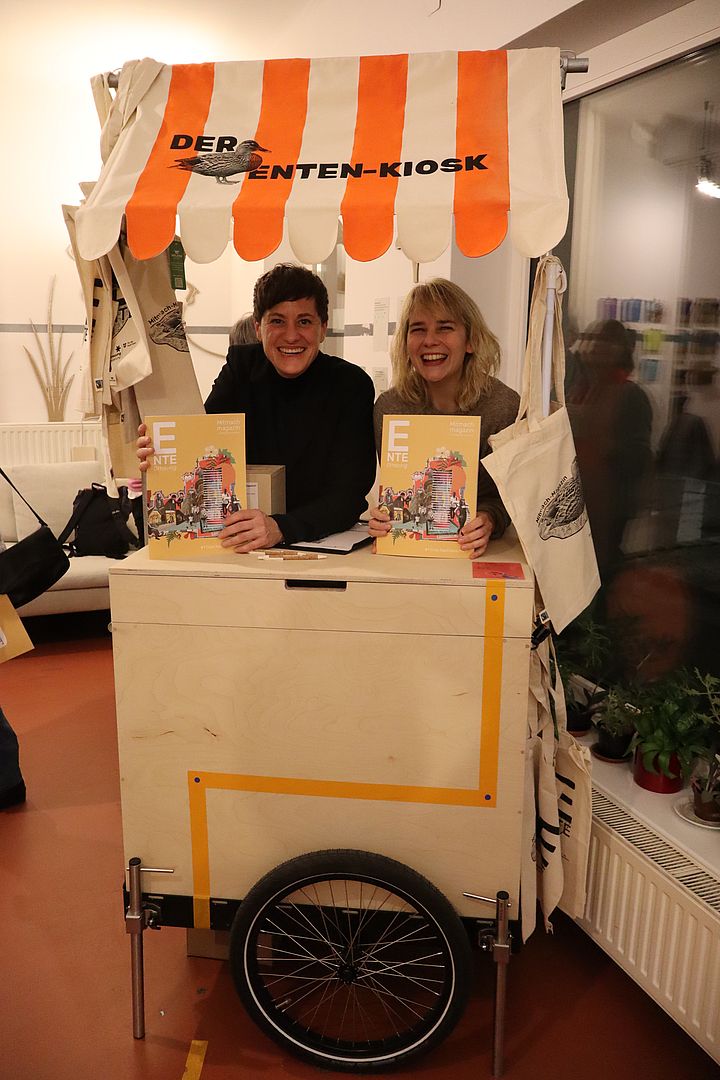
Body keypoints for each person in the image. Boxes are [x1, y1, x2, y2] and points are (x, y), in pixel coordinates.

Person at [138, 264, 376, 552]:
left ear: (323, 328)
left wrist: (281, 527)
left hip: (324, 544)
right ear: (258, 328)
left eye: (304, 322)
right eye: (277, 321)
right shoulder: (242, 369)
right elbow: (201, 447)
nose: (291, 336)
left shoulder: (350, 385)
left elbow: (349, 495)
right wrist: (161, 455)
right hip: (243, 543)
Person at [369, 278, 519, 559]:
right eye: (418, 329)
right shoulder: (390, 408)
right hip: (410, 556)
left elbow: (511, 499)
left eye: (445, 328)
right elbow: (398, 491)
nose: (429, 341)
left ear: (471, 340)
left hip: (479, 555)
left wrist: (489, 519)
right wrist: (383, 518)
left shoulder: (503, 408)